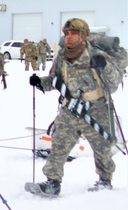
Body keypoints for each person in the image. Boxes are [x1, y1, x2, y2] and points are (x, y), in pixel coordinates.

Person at [27, 18, 118, 196]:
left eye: (74, 33)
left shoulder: (96, 54)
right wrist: (40, 82)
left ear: (83, 35)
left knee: (102, 148)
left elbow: (113, 84)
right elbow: (55, 80)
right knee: (59, 144)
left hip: (96, 110)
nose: (69, 37)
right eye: (67, 33)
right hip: (70, 109)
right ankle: (53, 182)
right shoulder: (62, 56)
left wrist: (104, 67)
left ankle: (105, 180)